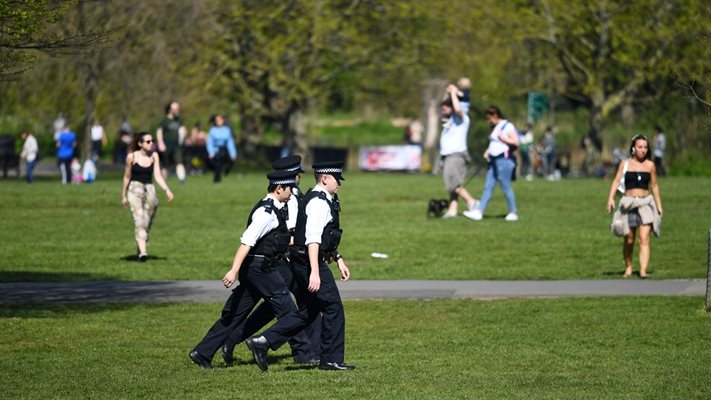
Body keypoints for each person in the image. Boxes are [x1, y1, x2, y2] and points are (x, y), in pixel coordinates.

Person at [244, 161, 355, 372]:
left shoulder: (319, 198)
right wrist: (315, 271)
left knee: (309, 311)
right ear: (324, 179)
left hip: (303, 261)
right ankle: (331, 360)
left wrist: (338, 259)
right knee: (333, 308)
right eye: (336, 179)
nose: (339, 183)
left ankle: (264, 341)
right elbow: (312, 239)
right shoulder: (319, 203)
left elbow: (325, 237)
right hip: (309, 263)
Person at [189, 169, 303, 369]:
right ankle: (265, 343)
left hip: (257, 269)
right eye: (289, 189)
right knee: (289, 311)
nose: (292, 193)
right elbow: (246, 242)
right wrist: (233, 270)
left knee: (235, 314)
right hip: (261, 269)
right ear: (279, 188)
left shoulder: (276, 208)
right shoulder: (266, 213)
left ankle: (202, 352)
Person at [220, 155, 320, 366]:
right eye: (296, 175)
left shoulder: (293, 195)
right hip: (283, 260)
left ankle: (233, 338)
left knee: (274, 307)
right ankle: (303, 353)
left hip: (284, 259)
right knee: (292, 306)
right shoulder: (289, 199)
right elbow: (289, 233)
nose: (298, 179)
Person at [607, 134, 663, 279]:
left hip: (645, 203)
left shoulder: (650, 165)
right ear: (633, 148)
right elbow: (616, 180)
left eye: (645, 147)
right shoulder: (625, 164)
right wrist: (611, 198)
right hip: (629, 203)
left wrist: (659, 205)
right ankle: (628, 267)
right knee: (629, 238)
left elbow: (655, 186)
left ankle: (643, 270)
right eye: (640, 147)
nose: (643, 150)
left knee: (644, 238)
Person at [121, 132, 174, 261]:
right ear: (140, 143)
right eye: (148, 142)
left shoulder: (154, 156)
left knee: (147, 222)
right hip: (134, 190)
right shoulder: (131, 157)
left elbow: (157, 175)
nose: (151, 144)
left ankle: (141, 247)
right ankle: (143, 253)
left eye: (152, 141)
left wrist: (167, 190)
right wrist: (123, 195)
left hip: (150, 190)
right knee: (139, 220)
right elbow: (127, 176)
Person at [463, 105, 519, 222]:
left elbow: (516, 142)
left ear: (495, 115)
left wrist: (504, 138)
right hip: (493, 160)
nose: (488, 121)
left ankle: (513, 212)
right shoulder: (495, 127)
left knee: (505, 186)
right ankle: (479, 212)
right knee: (488, 186)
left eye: (489, 118)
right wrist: (488, 150)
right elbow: (494, 143)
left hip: (504, 160)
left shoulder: (507, 126)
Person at [438, 84, 479, 219]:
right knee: (453, 183)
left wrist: (454, 93)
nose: (443, 110)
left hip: (455, 155)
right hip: (448, 155)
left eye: (445, 108)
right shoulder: (451, 121)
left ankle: (472, 202)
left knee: (452, 183)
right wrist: (448, 92)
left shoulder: (461, 118)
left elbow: (457, 108)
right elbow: (447, 103)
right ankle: (453, 209)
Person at [156, 101, 187, 183]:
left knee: (179, 162)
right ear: (170, 109)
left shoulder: (179, 120)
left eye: (178, 108)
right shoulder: (165, 120)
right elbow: (159, 131)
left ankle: (182, 180)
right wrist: (160, 143)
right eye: (175, 108)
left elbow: (182, 129)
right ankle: (162, 181)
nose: (177, 110)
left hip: (176, 145)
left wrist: (183, 136)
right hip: (166, 144)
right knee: (166, 165)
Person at [206, 114, 237, 183]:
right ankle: (217, 180)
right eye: (217, 120)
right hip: (216, 150)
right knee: (217, 164)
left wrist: (233, 154)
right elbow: (210, 143)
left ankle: (226, 171)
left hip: (225, 150)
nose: (219, 121)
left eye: (220, 119)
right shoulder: (212, 130)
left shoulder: (227, 130)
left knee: (230, 161)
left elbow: (230, 143)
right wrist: (211, 152)